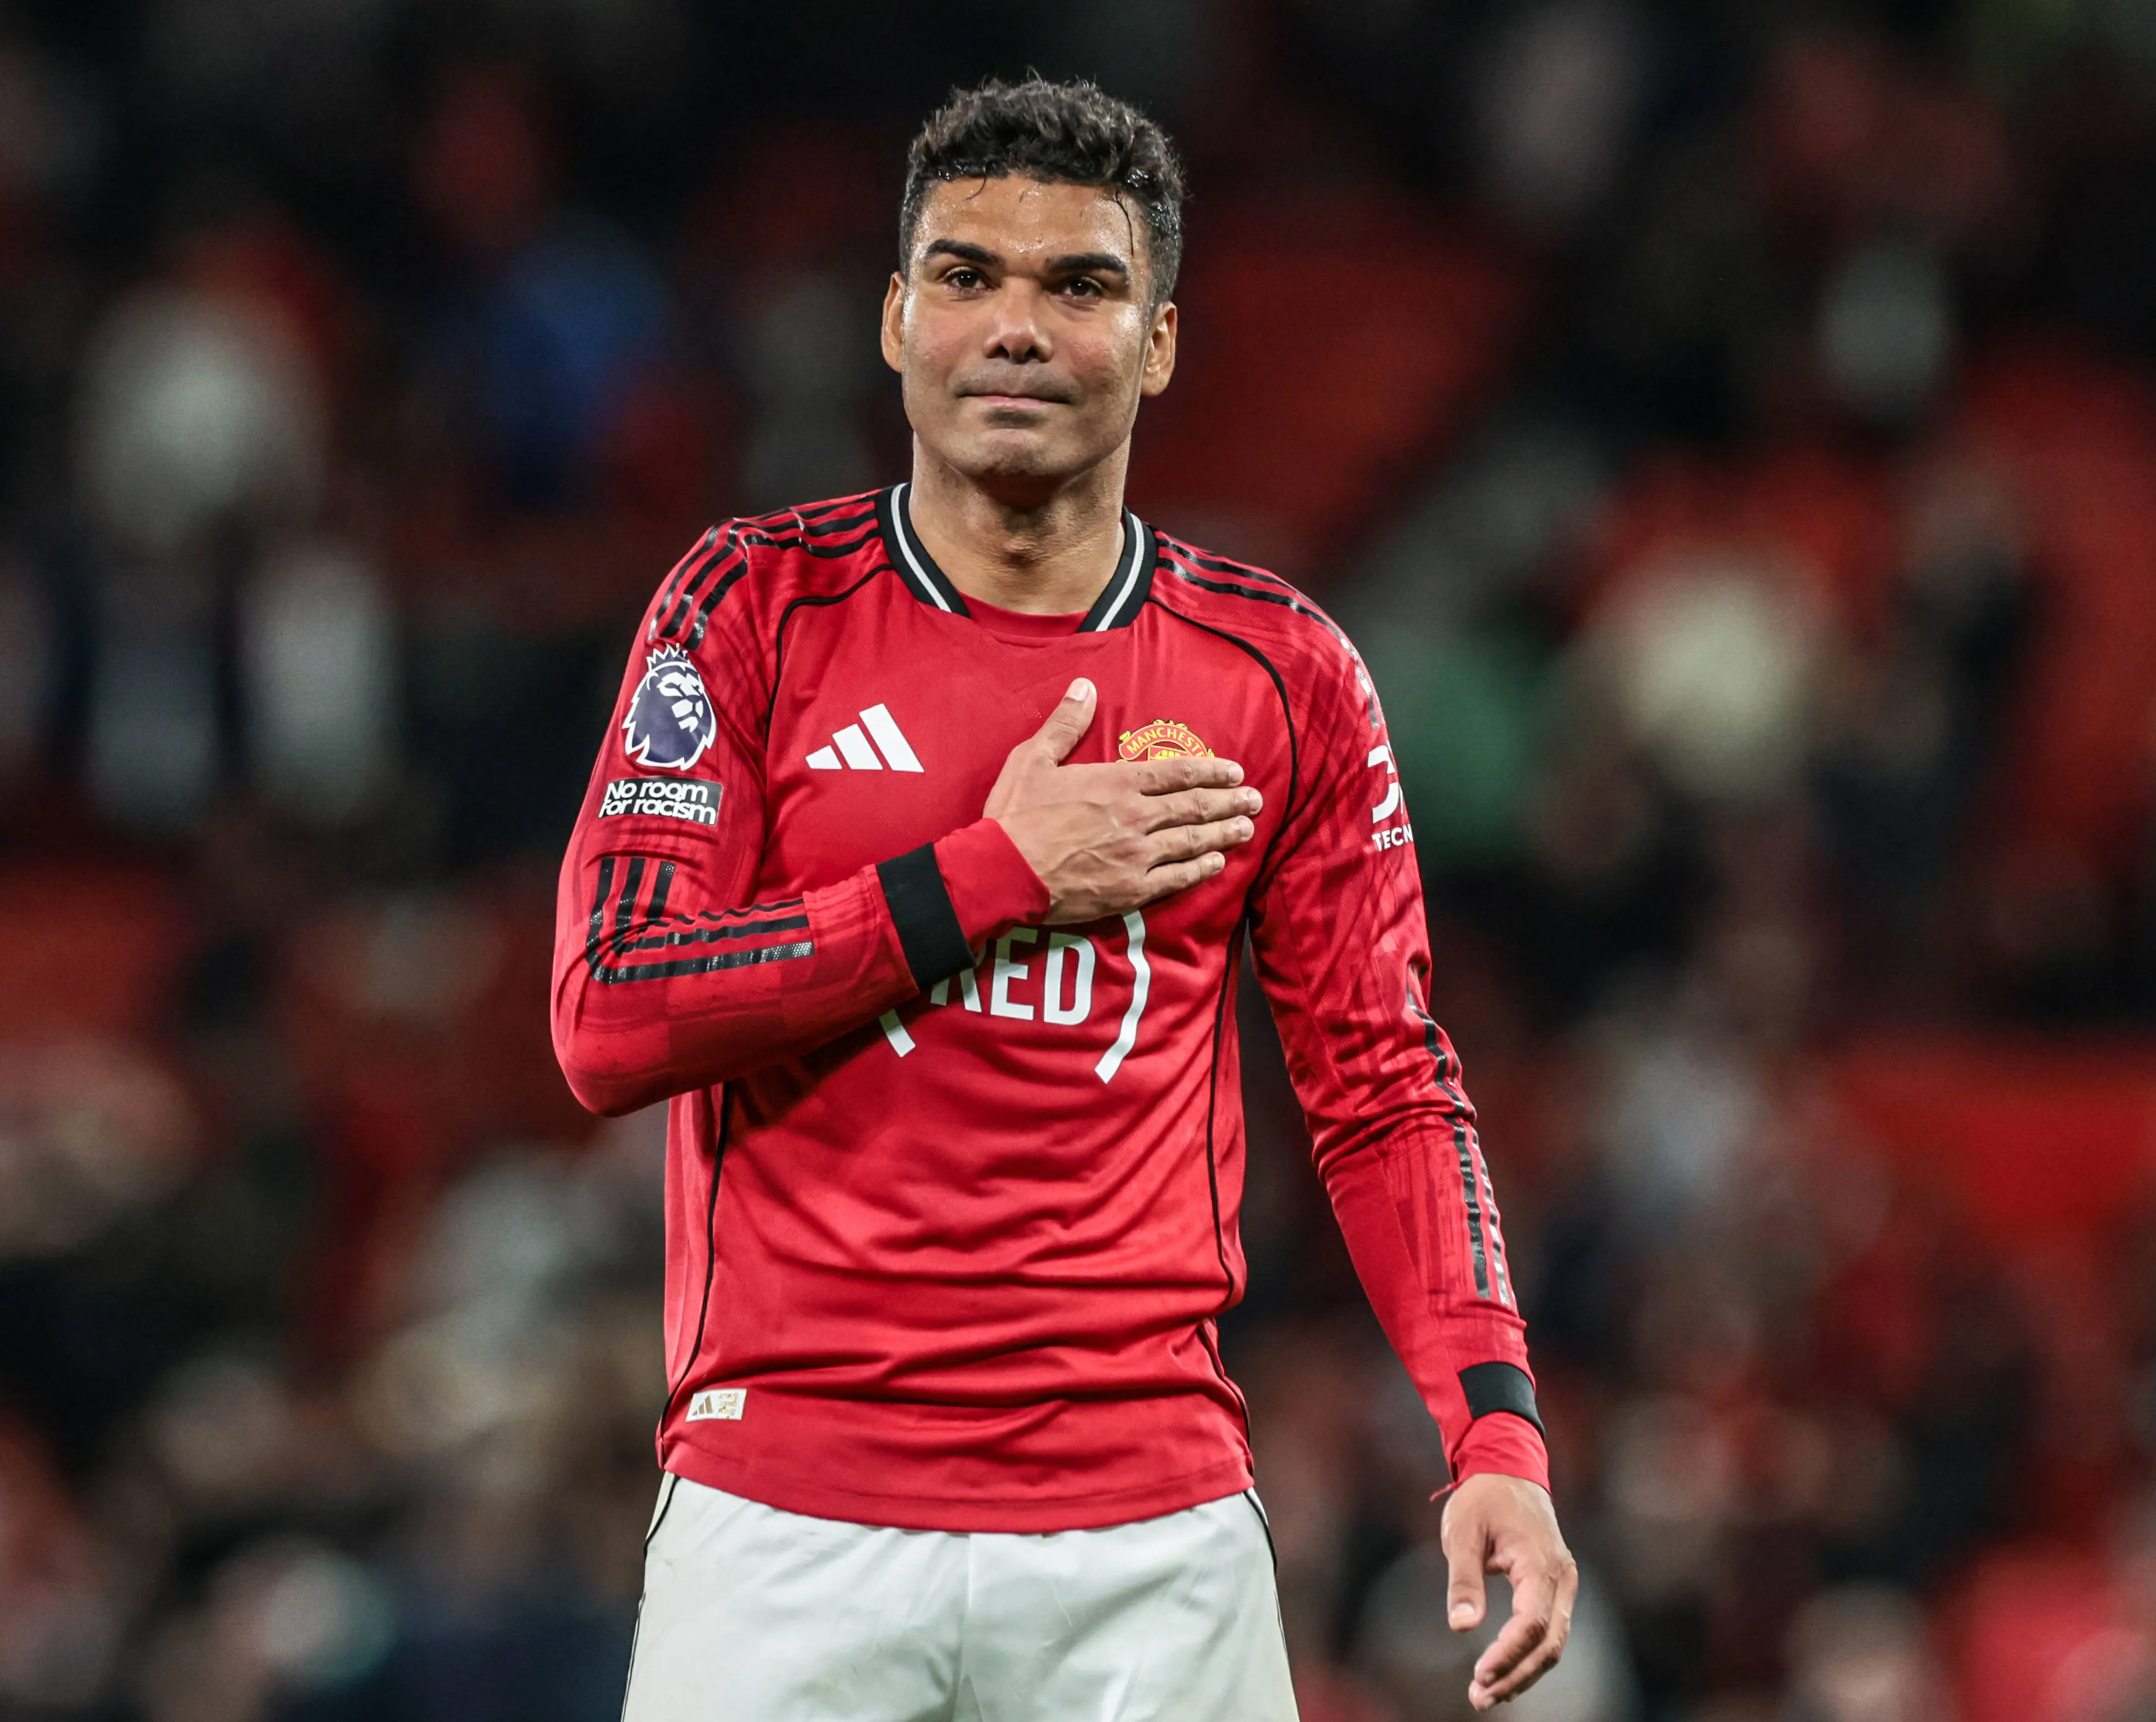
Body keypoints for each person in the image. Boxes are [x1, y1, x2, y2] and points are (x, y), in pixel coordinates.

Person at [551, 75, 1576, 1720]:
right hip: (786, 1515)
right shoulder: (749, 608)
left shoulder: (1280, 672)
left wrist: (1494, 1437)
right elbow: (613, 1014)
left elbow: (1382, 1086)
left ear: (1160, 341)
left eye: (1079, 285)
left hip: (1146, 1538)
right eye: (965, 276)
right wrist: (996, 873)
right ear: (891, 321)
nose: (1013, 326)